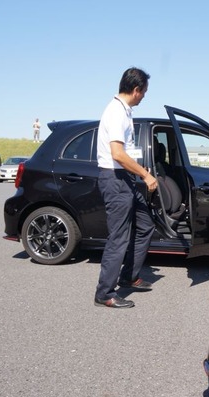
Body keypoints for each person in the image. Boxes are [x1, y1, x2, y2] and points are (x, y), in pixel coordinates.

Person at [94, 67, 158, 308]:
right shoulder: (116, 113)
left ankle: (129, 276)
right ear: (136, 90)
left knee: (145, 226)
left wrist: (139, 171)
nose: (144, 97)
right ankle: (104, 293)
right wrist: (145, 175)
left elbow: (125, 153)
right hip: (115, 179)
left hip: (126, 178)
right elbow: (118, 154)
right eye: (144, 92)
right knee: (118, 238)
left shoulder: (124, 111)